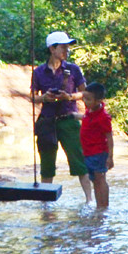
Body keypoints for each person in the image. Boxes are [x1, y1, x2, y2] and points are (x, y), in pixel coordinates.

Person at [30, 31, 88, 184]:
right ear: (52, 49)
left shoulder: (74, 69)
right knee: (47, 165)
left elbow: (84, 92)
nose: (66, 51)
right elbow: (33, 97)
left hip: (69, 120)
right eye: (63, 47)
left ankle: (89, 201)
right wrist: (44, 98)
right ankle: (46, 203)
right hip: (47, 122)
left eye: (67, 48)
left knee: (80, 162)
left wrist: (69, 96)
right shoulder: (38, 72)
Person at [79, 82, 113, 208]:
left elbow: (109, 137)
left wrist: (110, 157)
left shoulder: (103, 117)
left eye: (88, 99)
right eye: (84, 98)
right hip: (88, 153)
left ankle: (104, 206)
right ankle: (100, 206)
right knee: (95, 180)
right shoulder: (89, 112)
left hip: (99, 152)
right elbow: (84, 119)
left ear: (98, 100)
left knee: (100, 179)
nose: (85, 101)